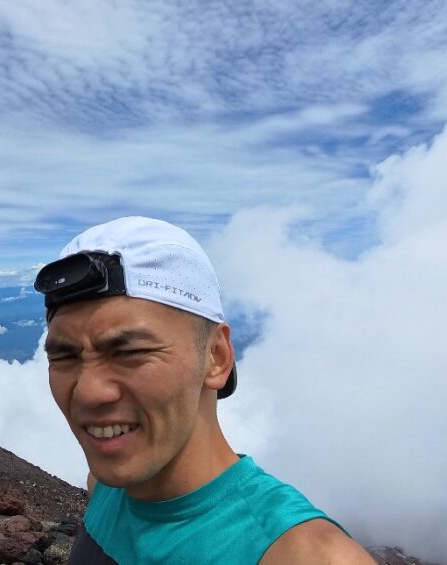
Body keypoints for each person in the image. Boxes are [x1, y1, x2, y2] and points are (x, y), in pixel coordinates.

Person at [33, 217, 374, 564]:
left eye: (129, 352)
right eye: (65, 355)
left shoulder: (303, 555)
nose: (89, 393)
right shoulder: (106, 488)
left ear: (216, 357)